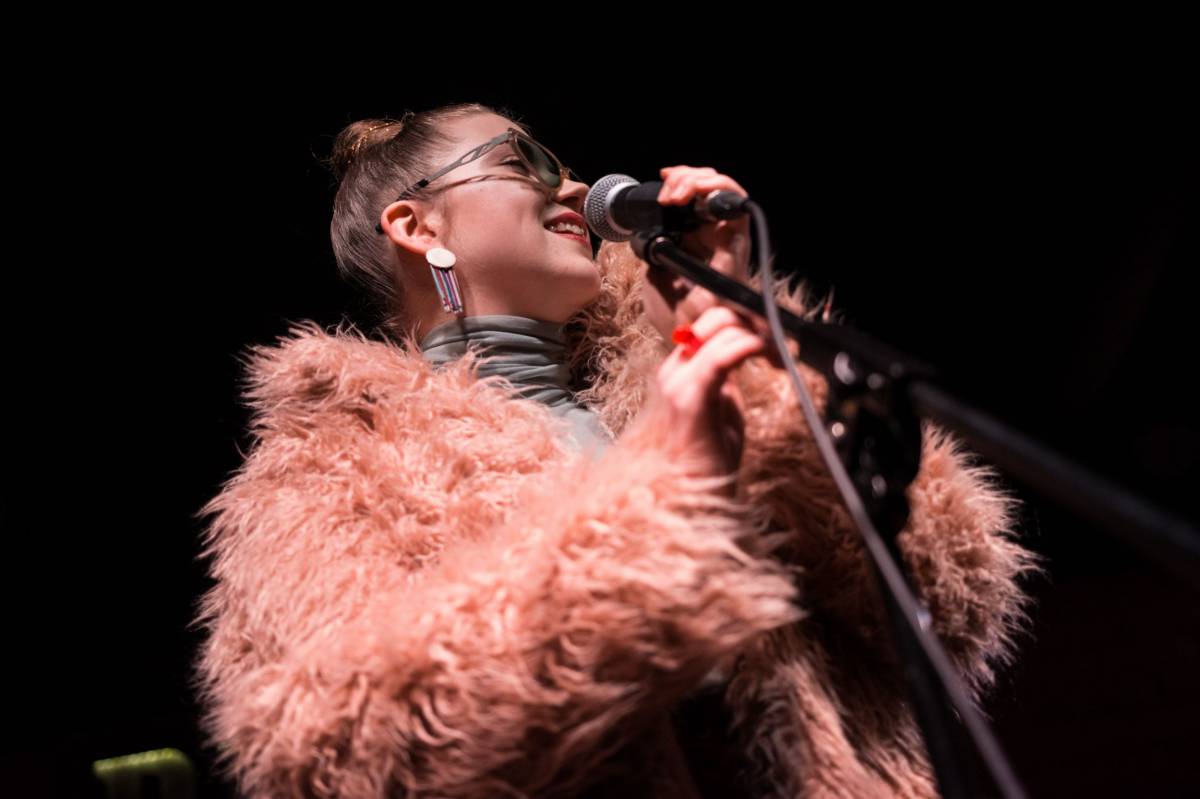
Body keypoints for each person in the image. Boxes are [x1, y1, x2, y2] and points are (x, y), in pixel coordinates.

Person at [189, 102, 1046, 798]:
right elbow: (337, 756)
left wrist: (736, 338)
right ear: (417, 225)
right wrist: (657, 508)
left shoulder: (673, 380)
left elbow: (947, 600)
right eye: (524, 160)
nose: (573, 184)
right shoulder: (329, 469)